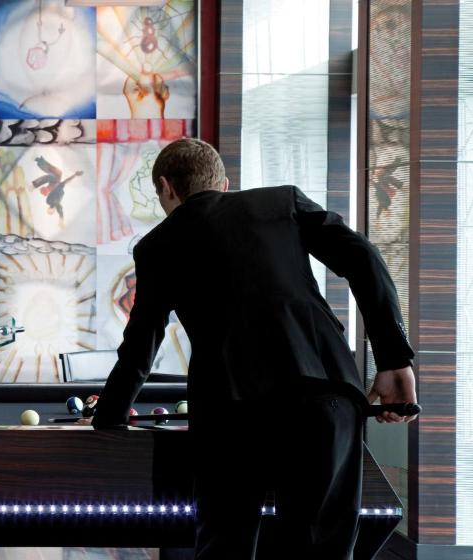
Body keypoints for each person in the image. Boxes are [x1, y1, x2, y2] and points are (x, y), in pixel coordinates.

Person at [89, 138, 418, 560]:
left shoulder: (156, 245)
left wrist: (108, 419)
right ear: (224, 184)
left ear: (166, 187)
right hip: (324, 395)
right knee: (320, 551)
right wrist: (393, 360)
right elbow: (363, 258)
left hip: (229, 413)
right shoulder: (281, 202)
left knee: (225, 547)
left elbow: (140, 346)